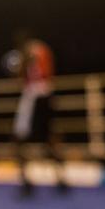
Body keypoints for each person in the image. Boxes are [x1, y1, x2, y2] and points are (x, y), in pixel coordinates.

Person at [7, 31, 68, 197]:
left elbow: (22, 73)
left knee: (18, 140)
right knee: (49, 140)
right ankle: (61, 181)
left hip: (34, 97)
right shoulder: (43, 48)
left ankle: (27, 184)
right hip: (48, 96)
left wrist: (19, 66)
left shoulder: (28, 51)